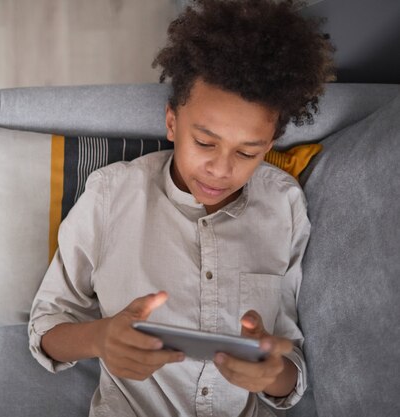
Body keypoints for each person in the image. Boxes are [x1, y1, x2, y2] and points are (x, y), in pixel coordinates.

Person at [29, 0, 335, 416]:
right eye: (205, 143)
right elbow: (46, 329)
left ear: (269, 145)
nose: (221, 169)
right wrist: (100, 338)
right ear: (172, 122)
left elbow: (288, 367)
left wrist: (272, 372)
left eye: (247, 153)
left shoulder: (283, 204)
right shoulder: (110, 196)